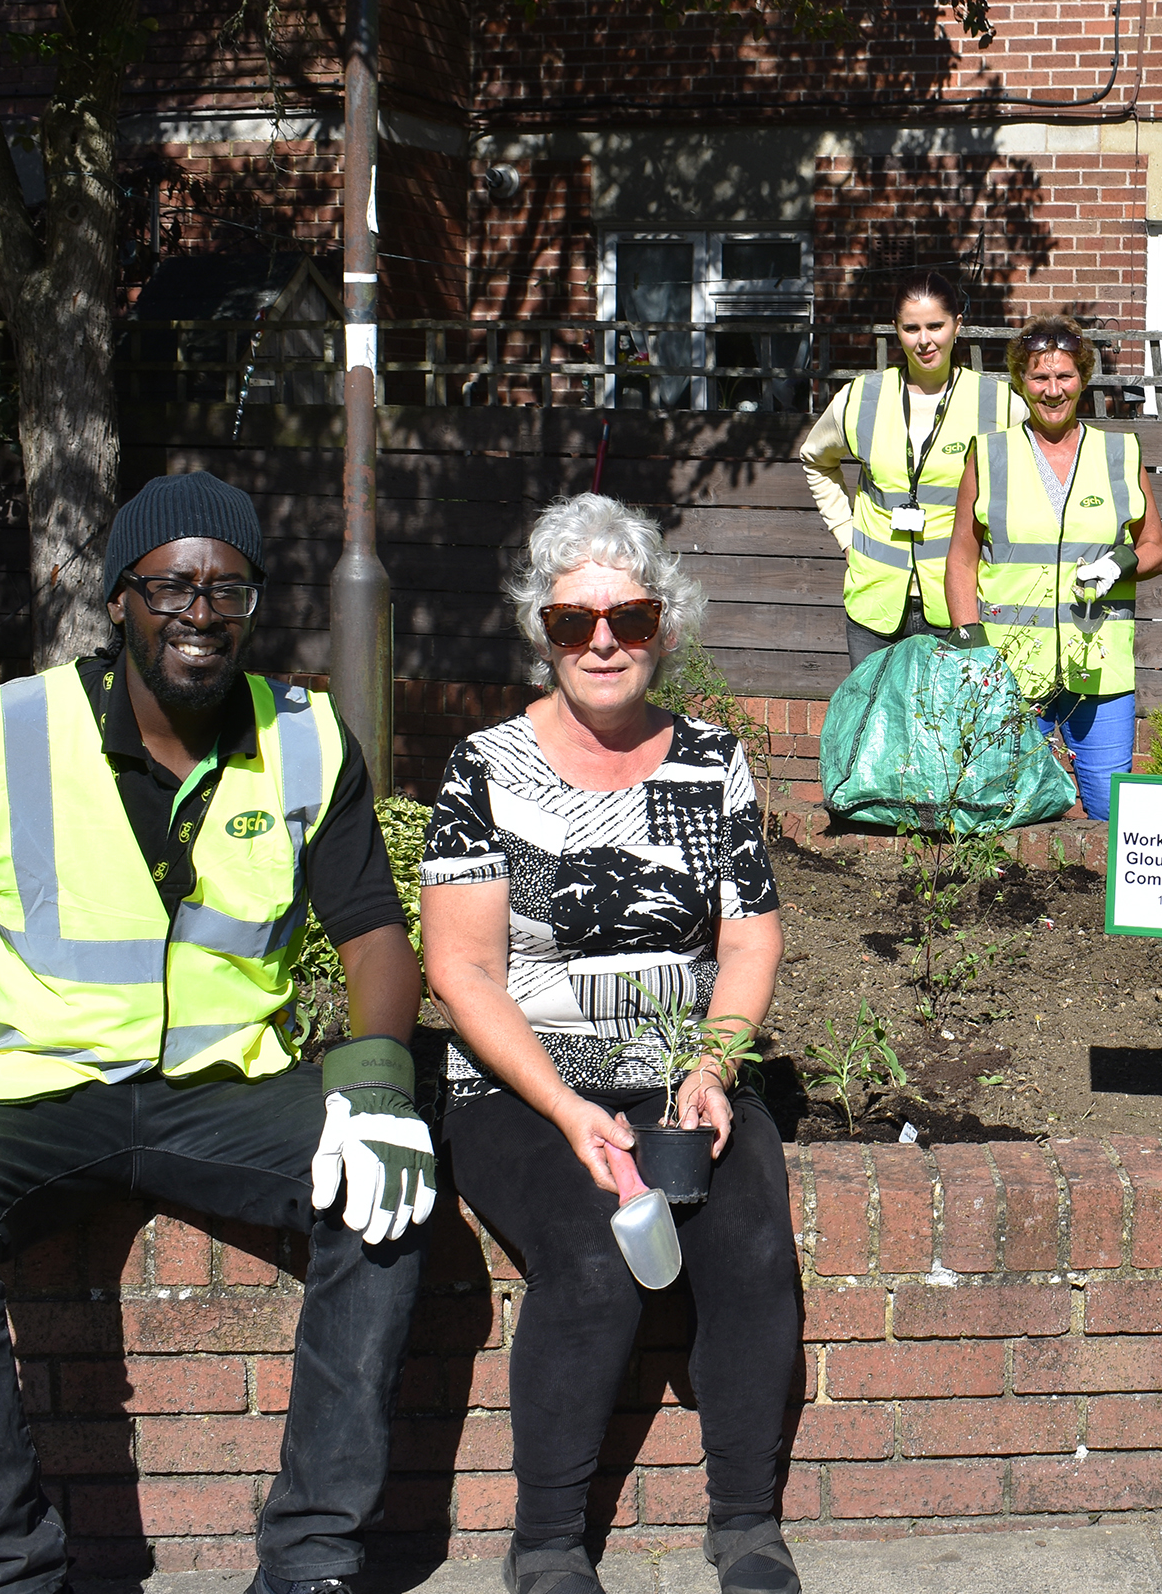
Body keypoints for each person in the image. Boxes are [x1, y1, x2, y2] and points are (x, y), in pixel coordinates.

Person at [0, 471, 434, 1594]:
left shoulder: (307, 741)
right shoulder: (8, 730)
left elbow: (371, 933)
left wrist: (378, 1089)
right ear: (121, 598)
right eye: (171, 585)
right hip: (38, 1087)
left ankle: (311, 1560)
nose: (199, 614)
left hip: (230, 1088)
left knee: (390, 1200)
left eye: (228, 589)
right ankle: (16, 1569)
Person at [420, 494, 795, 1594]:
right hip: (526, 1088)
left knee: (753, 1245)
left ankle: (747, 1524)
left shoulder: (712, 763)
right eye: (573, 622)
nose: (601, 643)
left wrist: (712, 1067)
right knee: (593, 1256)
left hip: (679, 1074)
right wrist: (567, 1105)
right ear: (541, 630)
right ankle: (545, 1543)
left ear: (661, 625)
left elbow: (750, 936)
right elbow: (464, 970)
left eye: (627, 619)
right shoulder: (484, 768)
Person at [945, 313, 1162, 821]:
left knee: (1111, 814)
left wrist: (1123, 563)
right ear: (1020, 382)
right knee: (1012, 811)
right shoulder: (990, 454)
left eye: (1064, 376)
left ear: (1083, 379)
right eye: (1039, 377)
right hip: (1009, 668)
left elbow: (1157, 544)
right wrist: (970, 644)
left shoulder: (1119, 452)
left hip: (1100, 666)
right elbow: (961, 556)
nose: (1052, 390)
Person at [800, 269, 1023, 665]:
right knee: (874, 726)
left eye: (936, 326)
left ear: (957, 325)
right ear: (896, 330)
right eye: (911, 328)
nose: (924, 341)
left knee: (948, 727)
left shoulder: (1000, 404)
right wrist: (846, 536)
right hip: (874, 607)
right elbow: (816, 460)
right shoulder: (860, 398)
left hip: (960, 604)